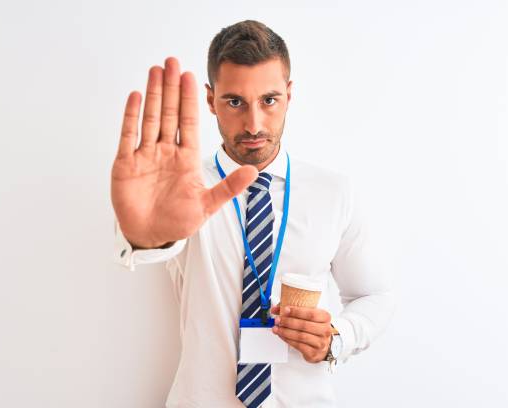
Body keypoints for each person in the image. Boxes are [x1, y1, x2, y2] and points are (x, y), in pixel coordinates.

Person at [110, 19, 395, 408]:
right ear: (211, 100)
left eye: (269, 100)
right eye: (234, 102)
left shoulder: (334, 192)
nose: (254, 124)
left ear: (289, 95)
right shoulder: (184, 190)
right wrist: (145, 237)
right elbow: (154, 242)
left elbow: (373, 295)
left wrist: (336, 338)